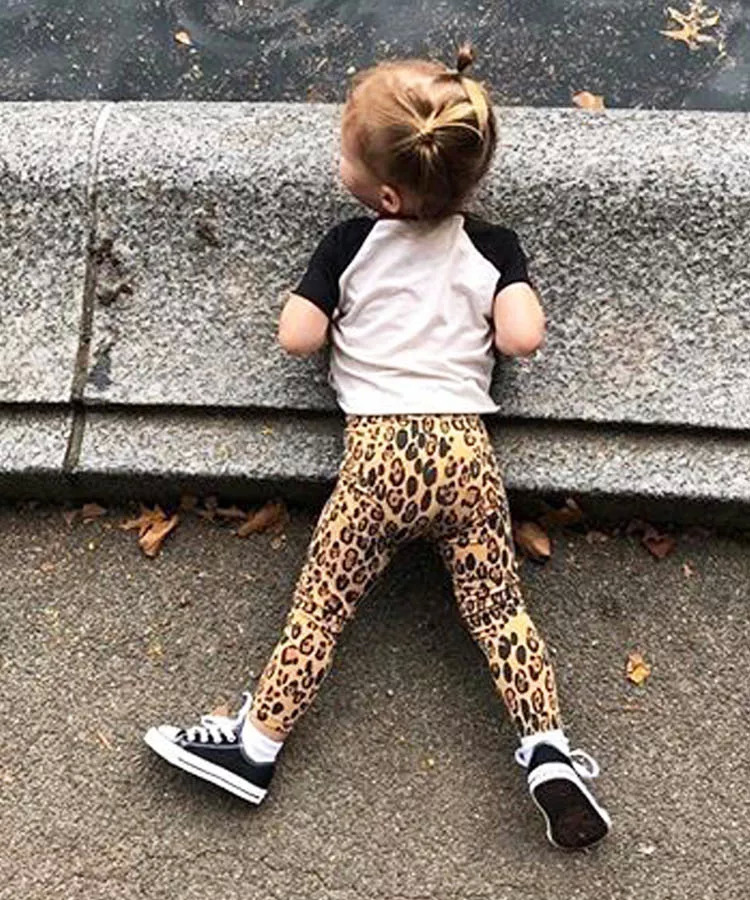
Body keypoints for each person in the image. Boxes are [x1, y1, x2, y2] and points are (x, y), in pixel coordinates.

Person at [144, 45, 611, 851]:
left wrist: (319, 308)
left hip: (378, 462)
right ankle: (548, 752)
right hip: (465, 458)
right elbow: (523, 337)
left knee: (321, 610)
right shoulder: (494, 247)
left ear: (386, 195)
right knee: (500, 613)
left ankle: (254, 749)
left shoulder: (348, 245)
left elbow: (297, 338)